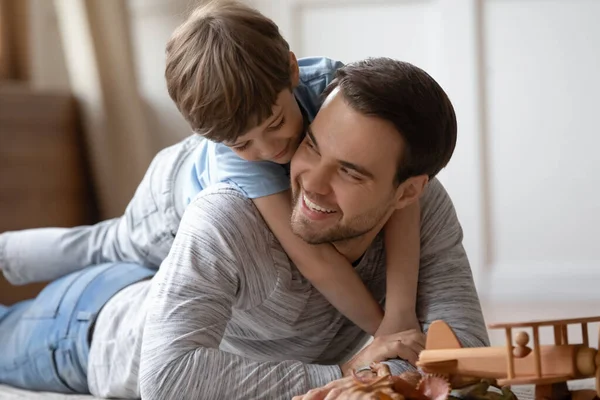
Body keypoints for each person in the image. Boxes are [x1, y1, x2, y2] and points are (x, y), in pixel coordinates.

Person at [0, 0, 419, 340]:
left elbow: (402, 184)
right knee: (103, 246)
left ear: (292, 70)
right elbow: (314, 261)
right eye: (242, 142)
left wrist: (402, 312)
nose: (270, 149)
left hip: (187, 161)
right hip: (165, 209)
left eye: (275, 123)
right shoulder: (237, 161)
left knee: (101, 245)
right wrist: (383, 332)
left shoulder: (332, 85)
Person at [138, 57, 489, 399]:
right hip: (111, 292)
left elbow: (461, 357)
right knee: (108, 243)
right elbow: (168, 379)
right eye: (311, 145)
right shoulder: (228, 213)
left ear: (408, 192)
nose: (313, 184)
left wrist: (384, 352)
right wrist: (347, 372)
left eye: (349, 172)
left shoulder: (421, 206)